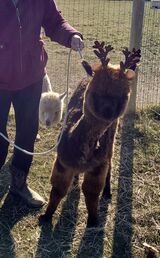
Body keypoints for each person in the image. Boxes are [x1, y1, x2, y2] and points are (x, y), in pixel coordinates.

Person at [0, 0, 84, 208]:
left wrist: (71, 36)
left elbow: (55, 22)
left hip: (31, 78)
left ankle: (19, 185)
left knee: (27, 134)